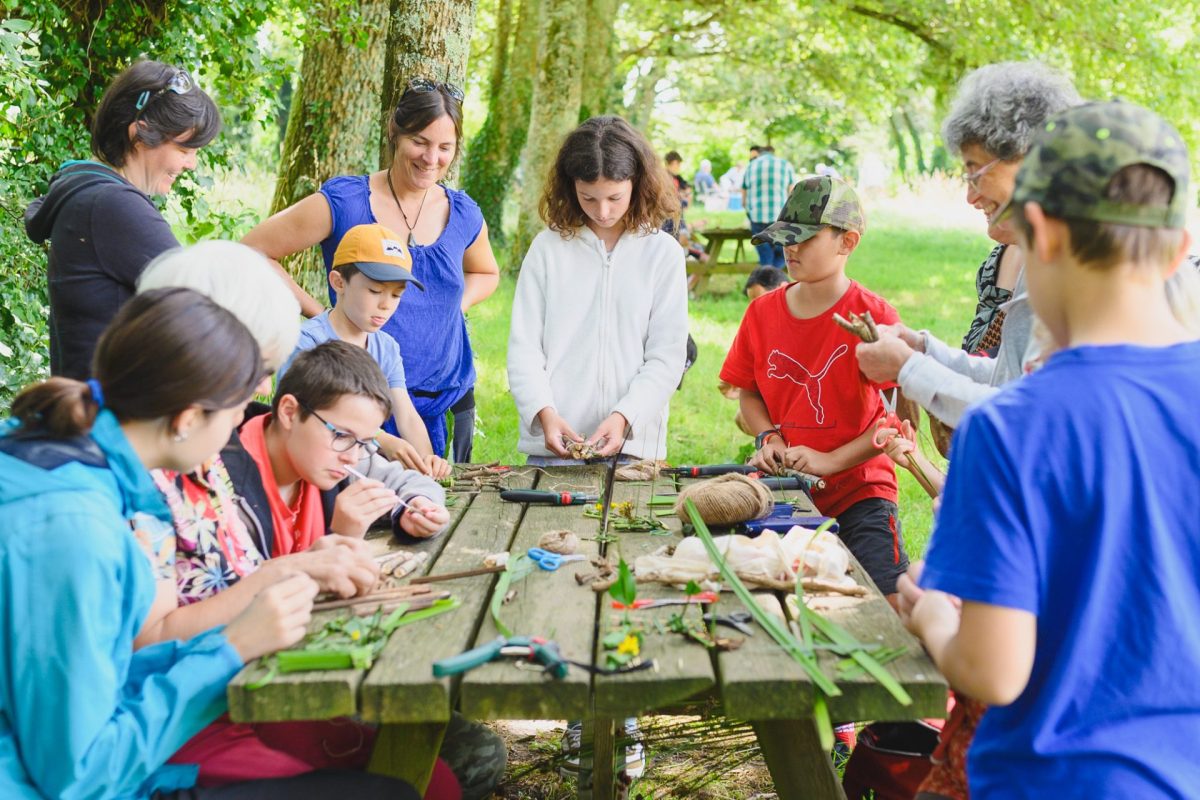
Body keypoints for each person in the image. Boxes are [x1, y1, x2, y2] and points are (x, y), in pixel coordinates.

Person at [0, 287, 420, 799]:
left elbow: (108, 672)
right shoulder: (71, 531)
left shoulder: (95, 473)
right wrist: (228, 650)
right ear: (187, 419)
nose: (238, 432)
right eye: (237, 412)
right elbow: (79, 776)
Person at [899, 100, 1200, 799]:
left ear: (1036, 229)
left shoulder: (1008, 429)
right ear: (1181, 247)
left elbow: (993, 670)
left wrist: (936, 618)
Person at [132, 243, 468, 798]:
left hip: (230, 697)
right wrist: (286, 578)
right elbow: (133, 669)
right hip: (181, 730)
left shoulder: (198, 467)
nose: (259, 396)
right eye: (253, 375)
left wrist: (327, 556)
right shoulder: (146, 487)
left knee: (434, 780)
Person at [242, 78, 500, 462]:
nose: (432, 159)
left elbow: (487, 273)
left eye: (445, 147)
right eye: (420, 142)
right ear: (395, 133)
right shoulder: (346, 202)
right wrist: (323, 318)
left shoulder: (463, 212)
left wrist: (453, 307)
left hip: (440, 402)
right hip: (355, 403)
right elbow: (253, 251)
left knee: (436, 508)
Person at [856, 63, 1082, 431]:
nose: (970, 196)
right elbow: (1012, 377)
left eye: (975, 172)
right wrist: (921, 349)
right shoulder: (1044, 253)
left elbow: (1030, 418)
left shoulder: (1085, 265)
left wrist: (908, 369)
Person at [720, 175, 909, 599]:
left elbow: (895, 421)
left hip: (862, 494)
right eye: (787, 237)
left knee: (889, 604)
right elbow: (748, 392)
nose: (791, 248)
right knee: (761, 594)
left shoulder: (874, 318)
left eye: (805, 238)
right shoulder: (762, 313)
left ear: (848, 242)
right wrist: (767, 436)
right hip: (783, 489)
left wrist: (831, 460)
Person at [23, 59, 221, 380]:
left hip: (88, 408)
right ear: (140, 135)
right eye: (186, 149)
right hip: (109, 417)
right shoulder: (113, 205)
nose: (192, 164)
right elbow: (205, 313)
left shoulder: (89, 192)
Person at [507, 115, 688, 466]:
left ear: (638, 184)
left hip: (634, 448)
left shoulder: (662, 252)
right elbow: (524, 348)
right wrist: (544, 413)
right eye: (588, 198)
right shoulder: (547, 249)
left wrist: (625, 416)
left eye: (615, 198)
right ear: (570, 187)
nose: (603, 212)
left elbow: (667, 356)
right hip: (554, 444)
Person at [241, 341, 449, 555]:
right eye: (341, 435)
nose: (352, 458)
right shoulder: (221, 481)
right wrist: (340, 538)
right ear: (289, 412)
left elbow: (414, 482)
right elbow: (225, 581)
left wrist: (419, 506)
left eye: (364, 442)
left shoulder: (344, 456)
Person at [278, 223, 451, 478]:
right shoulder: (307, 343)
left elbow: (407, 415)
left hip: (363, 467)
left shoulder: (386, 347)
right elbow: (305, 418)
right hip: (312, 469)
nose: (385, 305)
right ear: (339, 282)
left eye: (396, 296)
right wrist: (382, 440)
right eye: (375, 291)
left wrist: (426, 462)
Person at [741, 144, 797, 269]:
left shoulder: (751, 166)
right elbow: (792, 192)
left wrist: (747, 209)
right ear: (773, 153)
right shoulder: (785, 164)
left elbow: (743, 195)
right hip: (779, 217)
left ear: (760, 153)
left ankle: (766, 276)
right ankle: (770, 276)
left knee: (765, 254)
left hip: (756, 217)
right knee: (782, 252)